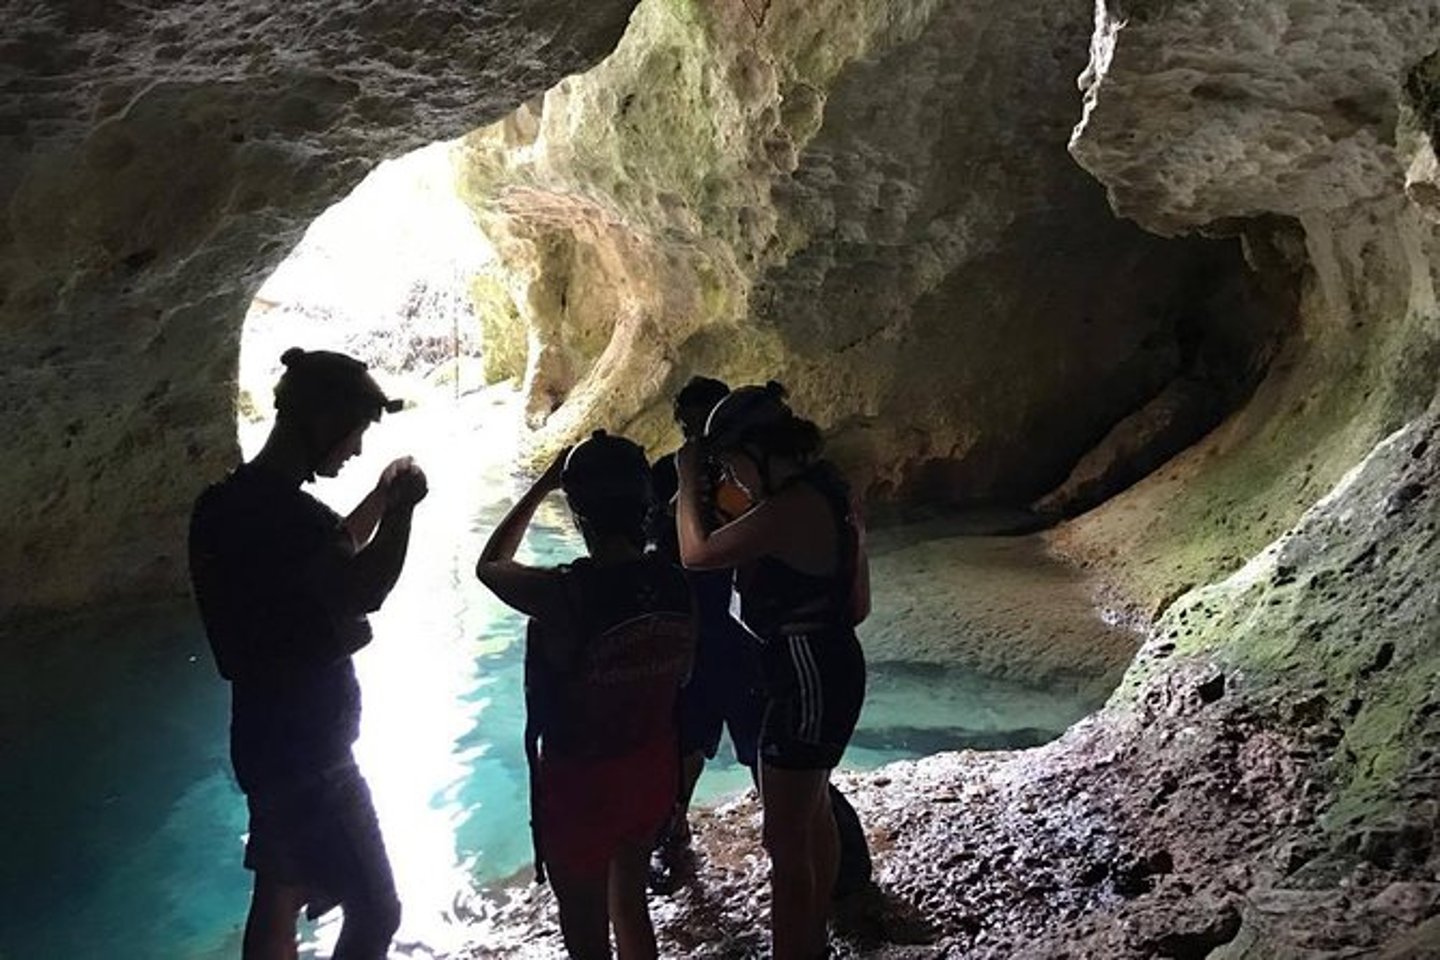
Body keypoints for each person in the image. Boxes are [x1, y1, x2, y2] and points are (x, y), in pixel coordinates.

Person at [189, 347, 427, 960]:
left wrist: (377, 497)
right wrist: (401, 514)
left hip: (262, 739)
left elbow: (332, 545)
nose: (354, 449)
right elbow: (363, 587)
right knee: (376, 910)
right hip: (315, 754)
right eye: (354, 433)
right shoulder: (290, 519)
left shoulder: (223, 507)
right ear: (322, 420)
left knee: (279, 890)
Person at [476, 431, 695, 960]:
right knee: (631, 907)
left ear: (578, 513)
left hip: (581, 784)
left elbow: (490, 566)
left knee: (585, 933)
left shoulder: (561, 593)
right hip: (648, 768)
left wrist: (539, 487)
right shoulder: (675, 582)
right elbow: (684, 674)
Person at [677, 381, 870, 960]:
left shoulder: (789, 509)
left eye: (733, 466)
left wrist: (688, 482)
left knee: (785, 844)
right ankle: (814, 943)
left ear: (759, 450)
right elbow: (857, 606)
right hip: (828, 668)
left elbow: (697, 553)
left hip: (807, 676)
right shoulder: (829, 494)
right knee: (811, 822)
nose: (732, 480)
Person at [647, 377, 765, 889]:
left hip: (740, 635)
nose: (698, 434)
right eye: (690, 425)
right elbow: (653, 545)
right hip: (690, 636)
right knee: (682, 747)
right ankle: (673, 834)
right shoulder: (666, 475)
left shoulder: (749, 480)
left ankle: (798, 833)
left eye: (707, 423)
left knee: (762, 745)